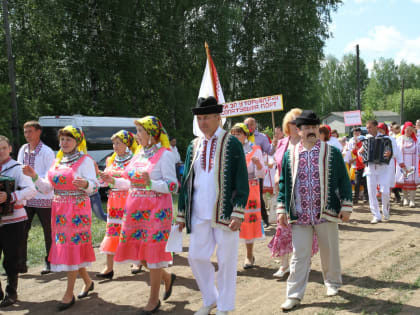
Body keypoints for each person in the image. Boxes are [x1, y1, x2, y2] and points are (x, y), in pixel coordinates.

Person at [177, 96, 249, 315]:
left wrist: (238, 211)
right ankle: (211, 298)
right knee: (195, 256)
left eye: (206, 117)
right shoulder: (193, 145)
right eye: (199, 118)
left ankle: (225, 307)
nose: (202, 122)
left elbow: (241, 179)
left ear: (219, 117)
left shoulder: (232, 142)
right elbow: (187, 181)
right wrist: (182, 213)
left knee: (226, 262)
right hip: (199, 213)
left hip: (225, 213)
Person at [277, 110, 353, 311]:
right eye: (307, 128)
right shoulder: (290, 154)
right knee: (299, 255)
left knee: (329, 251)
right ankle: (293, 295)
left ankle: (332, 282)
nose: (311, 131)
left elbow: (344, 180)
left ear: (318, 130)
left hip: (326, 212)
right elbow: (284, 183)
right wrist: (281, 209)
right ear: (299, 130)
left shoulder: (331, 152)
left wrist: (346, 205)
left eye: (314, 127)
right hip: (300, 213)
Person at [101, 116, 177, 314]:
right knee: (138, 252)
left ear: (152, 134)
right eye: (137, 132)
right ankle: (167, 278)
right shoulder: (138, 154)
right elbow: (128, 182)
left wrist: (151, 184)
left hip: (157, 210)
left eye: (140, 132)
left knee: (152, 253)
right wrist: (112, 181)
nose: (137, 136)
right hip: (135, 209)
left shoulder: (165, 154)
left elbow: (173, 185)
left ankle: (153, 300)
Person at [23, 125, 98, 311]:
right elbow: (47, 187)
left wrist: (87, 183)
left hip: (77, 210)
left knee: (71, 247)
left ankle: (68, 293)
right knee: (67, 247)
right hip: (59, 209)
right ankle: (87, 282)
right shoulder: (58, 161)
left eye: (68, 139)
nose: (64, 143)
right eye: (62, 139)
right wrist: (34, 177)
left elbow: (95, 187)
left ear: (77, 141)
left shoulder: (85, 160)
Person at [269, 108, 319, 279]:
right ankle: (284, 265)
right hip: (285, 191)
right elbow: (278, 164)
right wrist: (277, 177)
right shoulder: (283, 143)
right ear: (287, 125)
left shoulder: (307, 142)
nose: (296, 125)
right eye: (292, 123)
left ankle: (304, 262)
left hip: (303, 191)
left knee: (303, 227)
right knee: (282, 228)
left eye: (299, 123)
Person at [0, 136, 36, 307]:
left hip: (13, 220)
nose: (0, 152)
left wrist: (10, 196)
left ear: (10, 149)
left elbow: (31, 190)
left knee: (11, 258)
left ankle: (11, 292)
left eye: (3, 148)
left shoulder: (18, 168)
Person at [96, 130, 137, 279]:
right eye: (113, 143)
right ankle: (109, 267)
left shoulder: (135, 160)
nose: (115, 146)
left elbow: (133, 183)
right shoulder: (110, 160)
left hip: (130, 199)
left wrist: (112, 180)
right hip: (113, 200)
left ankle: (137, 261)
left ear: (127, 144)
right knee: (112, 231)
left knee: (131, 231)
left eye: (118, 143)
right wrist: (99, 176)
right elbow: (103, 182)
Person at [17, 121, 55, 275]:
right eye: (25, 132)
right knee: (21, 230)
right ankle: (21, 264)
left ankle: (50, 262)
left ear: (39, 132)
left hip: (44, 197)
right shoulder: (23, 149)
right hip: (27, 197)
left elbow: (49, 177)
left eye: (30, 131)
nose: (27, 135)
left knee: (48, 231)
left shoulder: (46, 151)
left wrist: (34, 176)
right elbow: (19, 169)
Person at [230, 123, 265, 269]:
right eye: (233, 134)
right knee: (230, 222)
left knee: (247, 223)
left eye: (239, 134)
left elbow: (261, 173)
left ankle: (249, 255)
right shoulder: (228, 150)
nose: (236, 136)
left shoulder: (255, 150)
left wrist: (257, 165)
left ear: (245, 135)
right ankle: (229, 258)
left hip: (250, 189)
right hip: (233, 190)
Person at [359, 120, 405, 224]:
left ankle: (386, 211)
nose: (368, 130)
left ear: (376, 127)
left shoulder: (388, 139)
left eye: (370, 127)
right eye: (367, 128)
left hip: (384, 168)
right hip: (370, 169)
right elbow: (360, 152)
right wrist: (361, 153)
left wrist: (390, 153)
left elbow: (395, 152)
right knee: (371, 193)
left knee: (385, 192)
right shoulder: (367, 138)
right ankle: (376, 215)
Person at [244, 117, 277, 227]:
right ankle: (246, 221)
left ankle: (265, 220)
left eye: (251, 124)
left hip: (257, 172)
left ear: (255, 125)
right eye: (247, 125)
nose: (249, 127)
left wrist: (275, 144)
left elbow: (270, 151)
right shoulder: (241, 136)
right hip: (243, 172)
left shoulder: (262, 137)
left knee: (258, 196)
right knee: (243, 196)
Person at [395, 122, 419, 207]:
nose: (409, 131)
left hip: (413, 162)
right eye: (407, 130)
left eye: (411, 130)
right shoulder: (399, 139)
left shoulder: (417, 139)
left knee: (412, 182)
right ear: (404, 130)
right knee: (404, 180)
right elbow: (396, 151)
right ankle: (405, 198)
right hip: (403, 163)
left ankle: (412, 199)